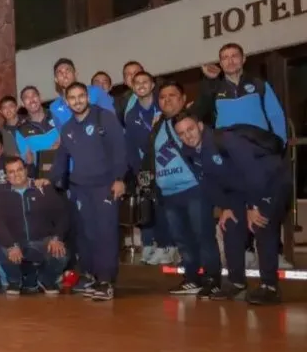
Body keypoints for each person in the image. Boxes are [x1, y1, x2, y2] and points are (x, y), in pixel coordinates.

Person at [174, 112, 290, 305]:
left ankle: (270, 287)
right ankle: (236, 282)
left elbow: (254, 172)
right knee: (231, 226)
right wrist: (225, 207)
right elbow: (208, 183)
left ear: (200, 126)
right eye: (181, 133)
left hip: (270, 181)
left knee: (261, 225)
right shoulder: (188, 152)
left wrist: (254, 206)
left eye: (190, 129)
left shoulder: (226, 140)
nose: (188, 136)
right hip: (240, 188)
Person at [49, 82, 127, 301]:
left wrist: (119, 179)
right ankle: (93, 276)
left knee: (106, 234)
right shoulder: (67, 129)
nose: (77, 101)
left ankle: (106, 281)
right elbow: (61, 159)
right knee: (86, 235)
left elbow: (120, 149)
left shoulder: (105, 118)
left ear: (87, 97)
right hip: (79, 189)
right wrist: (49, 181)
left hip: (104, 186)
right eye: (72, 98)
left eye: (81, 96)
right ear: (66, 101)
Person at [142, 82, 220, 296]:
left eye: (172, 95)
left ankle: (213, 279)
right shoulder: (157, 126)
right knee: (183, 239)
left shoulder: (189, 119)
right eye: (163, 97)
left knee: (203, 235)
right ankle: (192, 278)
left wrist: (206, 78)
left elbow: (205, 102)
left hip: (194, 188)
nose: (167, 100)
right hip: (168, 194)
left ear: (183, 98)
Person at [0, 157, 69, 295]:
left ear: (26, 170)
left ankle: (47, 280)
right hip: (17, 243)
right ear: (6, 176)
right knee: (2, 250)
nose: (16, 174)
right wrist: (11, 245)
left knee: (60, 254)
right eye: (11, 172)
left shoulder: (43, 188)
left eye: (19, 170)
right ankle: (15, 281)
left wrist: (57, 238)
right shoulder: (0, 195)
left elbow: (62, 216)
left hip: (43, 241)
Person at [123, 71, 174, 265]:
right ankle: (154, 245)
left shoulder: (163, 105)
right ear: (133, 88)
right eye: (137, 83)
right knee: (149, 205)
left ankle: (168, 245)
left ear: (153, 85)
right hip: (146, 167)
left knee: (166, 206)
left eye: (145, 82)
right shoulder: (131, 114)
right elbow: (131, 147)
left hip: (167, 163)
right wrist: (138, 172)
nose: (142, 85)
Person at [194, 42, 287, 142]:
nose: (230, 61)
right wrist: (209, 80)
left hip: (260, 148)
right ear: (221, 64)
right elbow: (198, 112)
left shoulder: (260, 85)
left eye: (234, 56)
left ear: (243, 59)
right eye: (225, 58)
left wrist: (281, 143)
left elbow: (276, 115)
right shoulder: (214, 89)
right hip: (228, 151)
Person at [49, 58, 115, 127]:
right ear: (56, 79)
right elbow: (61, 134)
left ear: (75, 74)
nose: (64, 75)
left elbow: (112, 118)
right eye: (60, 72)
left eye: (68, 70)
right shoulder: (54, 107)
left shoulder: (96, 91)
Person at [14, 86, 59, 170]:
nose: (31, 100)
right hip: (44, 173)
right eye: (26, 98)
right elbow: (29, 160)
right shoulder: (21, 130)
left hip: (68, 169)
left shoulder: (56, 115)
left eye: (34, 95)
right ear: (23, 104)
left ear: (40, 97)